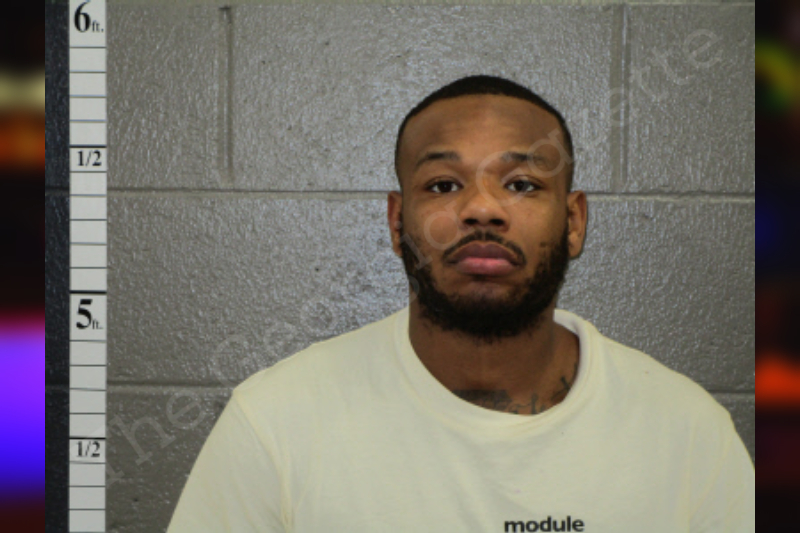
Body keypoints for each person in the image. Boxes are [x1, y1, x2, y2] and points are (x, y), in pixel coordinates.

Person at [167, 75, 755, 532]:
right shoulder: (276, 422)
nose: (482, 209)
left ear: (574, 221)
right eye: (444, 185)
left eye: (521, 184)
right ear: (398, 221)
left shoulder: (685, 432)